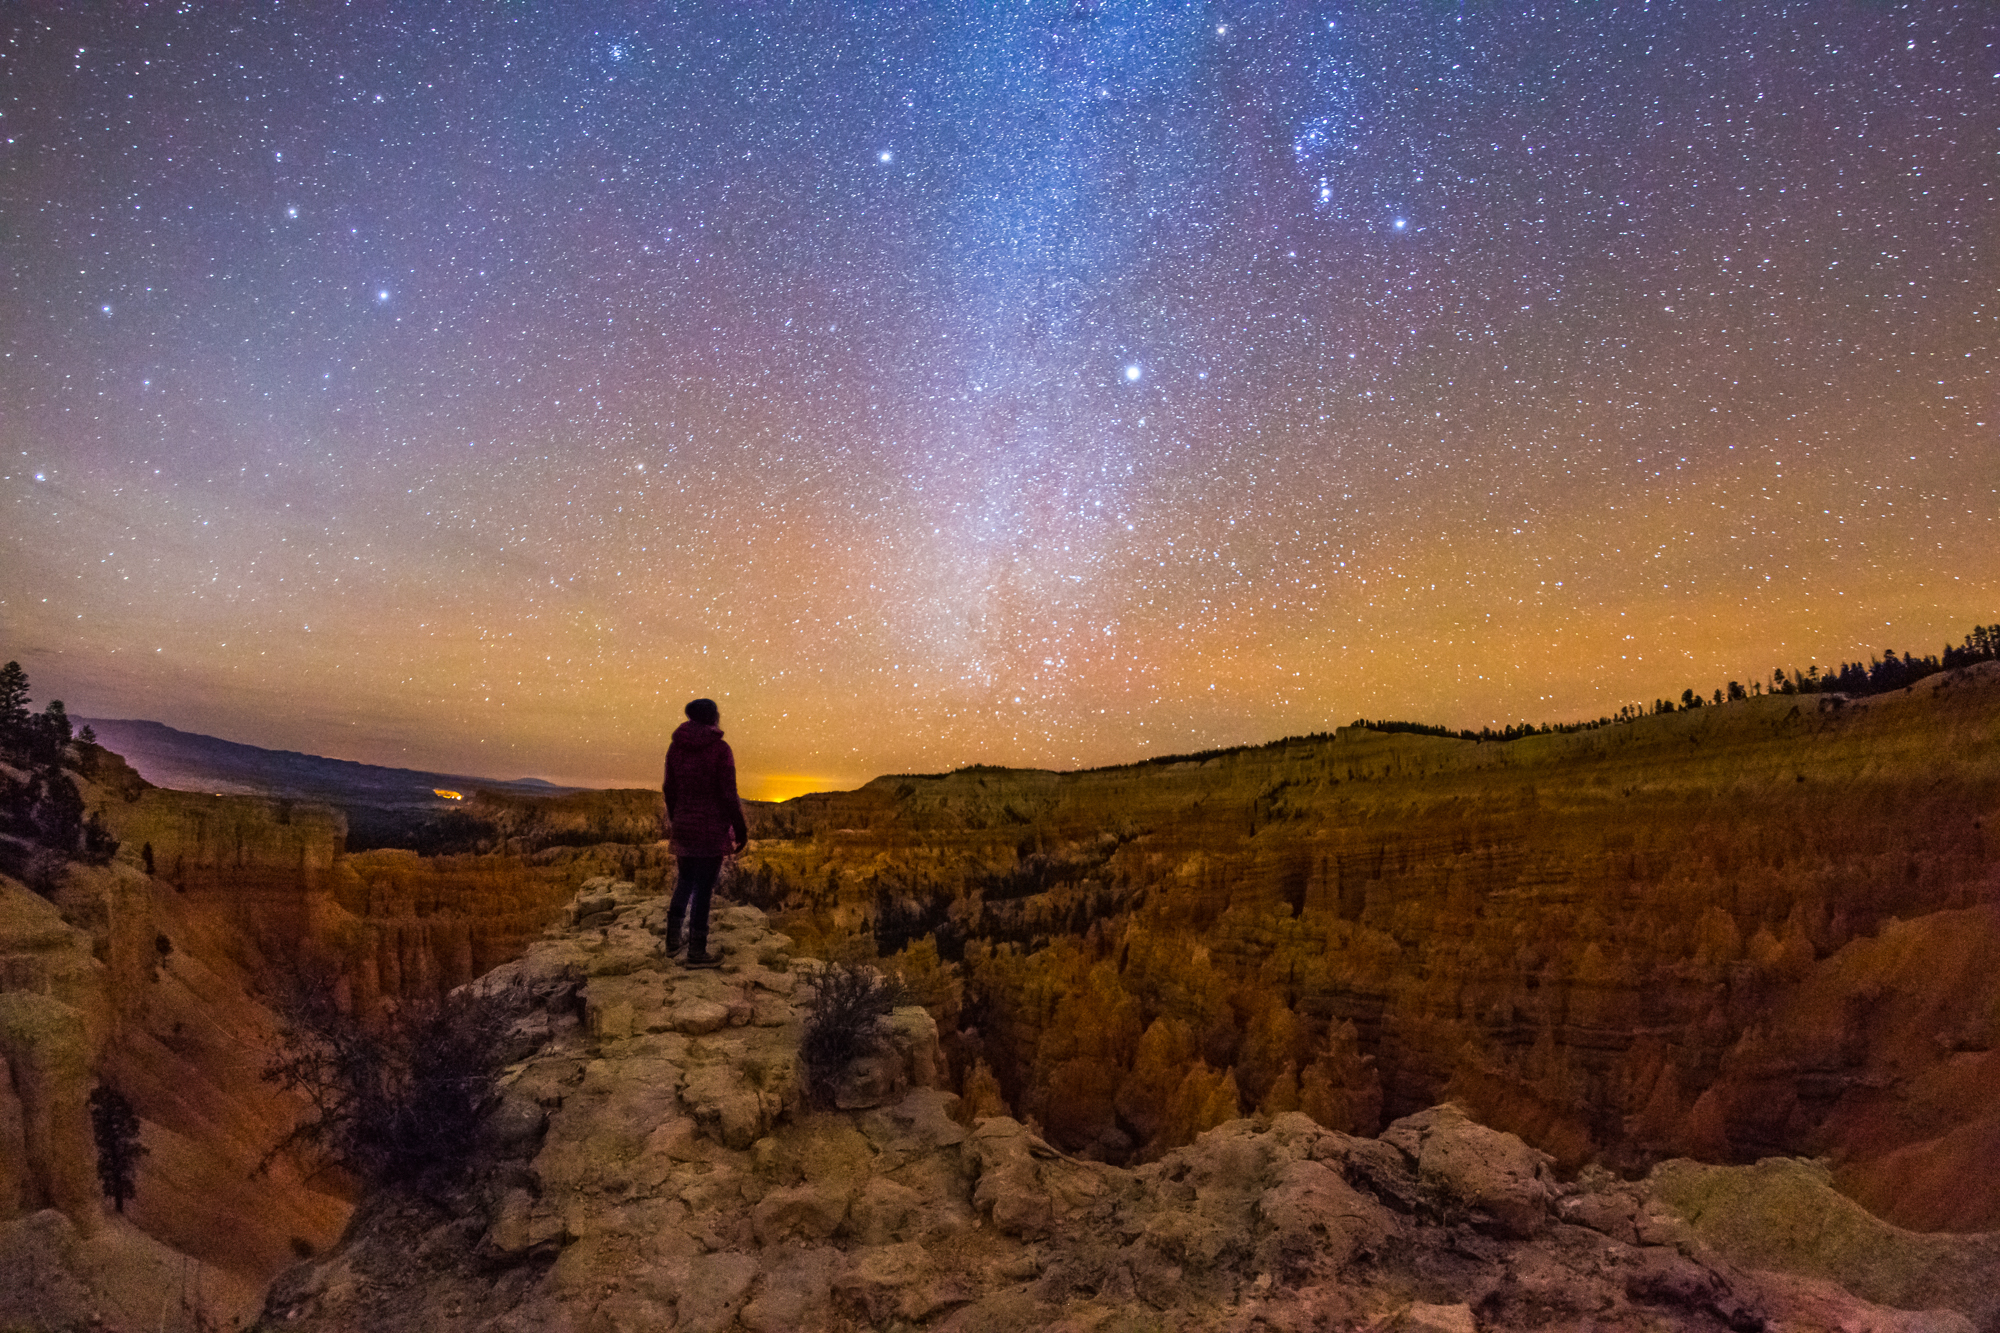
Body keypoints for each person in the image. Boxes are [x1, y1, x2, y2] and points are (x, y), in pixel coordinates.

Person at [660, 697, 749, 968]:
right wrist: (740, 827)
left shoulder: (676, 748)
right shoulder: (721, 749)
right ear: (712, 717)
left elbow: (668, 788)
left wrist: (678, 818)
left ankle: (672, 942)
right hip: (711, 828)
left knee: (685, 881)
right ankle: (697, 952)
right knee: (703, 889)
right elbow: (728, 793)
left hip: (684, 825)